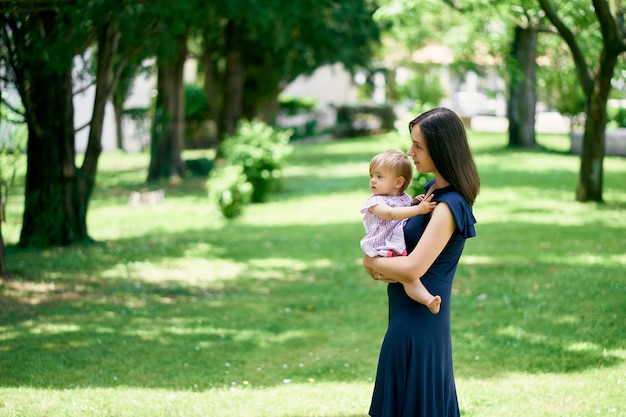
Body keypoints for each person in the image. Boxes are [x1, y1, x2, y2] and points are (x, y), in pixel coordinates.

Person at [363, 107, 480, 417]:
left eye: (418, 146)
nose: (409, 152)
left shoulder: (448, 205)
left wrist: (368, 260)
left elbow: (414, 268)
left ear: (441, 149)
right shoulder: (431, 192)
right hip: (404, 318)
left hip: (420, 326)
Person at [360, 149, 441, 314]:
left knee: (409, 278)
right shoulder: (376, 202)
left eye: (379, 176)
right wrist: (418, 210)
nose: (373, 181)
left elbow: (403, 209)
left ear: (398, 183)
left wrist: (414, 203)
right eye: (372, 176)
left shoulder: (403, 197)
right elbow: (391, 214)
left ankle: (429, 300)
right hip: (383, 245)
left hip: (394, 242)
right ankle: (427, 299)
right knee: (409, 278)